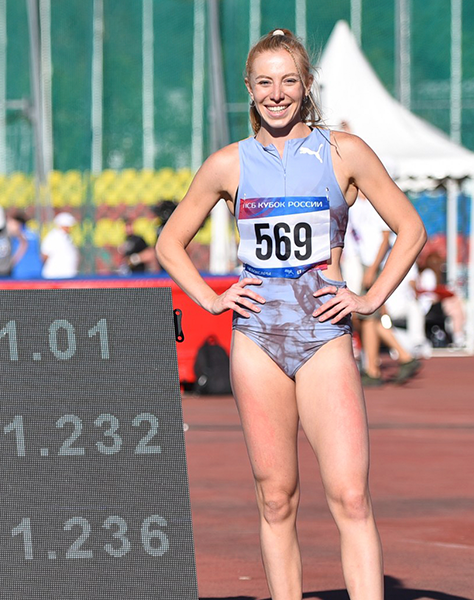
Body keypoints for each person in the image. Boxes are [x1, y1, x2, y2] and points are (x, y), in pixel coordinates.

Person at [154, 29, 425, 600]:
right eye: (264, 83)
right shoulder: (228, 164)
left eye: (288, 81)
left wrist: (370, 299)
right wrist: (211, 299)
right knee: (275, 498)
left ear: (306, 86)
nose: (276, 93)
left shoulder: (343, 151)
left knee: (351, 496)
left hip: (323, 335)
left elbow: (411, 229)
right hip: (257, 340)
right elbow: (169, 243)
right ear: (249, 89)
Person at [344, 196, 422, 385]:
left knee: (368, 317)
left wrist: (372, 269)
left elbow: (385, 239)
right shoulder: (356, 204)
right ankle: (377, 366)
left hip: (372, 264)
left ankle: (393, 360)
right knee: (368, 319)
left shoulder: (376, 201)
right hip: (361, 263)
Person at [416, 252, 467, 347]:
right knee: (455, 305)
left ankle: (459, 333)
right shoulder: (429, 273)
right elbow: (429, 294)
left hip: (431, 304)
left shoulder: (432, 274)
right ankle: (459, 335)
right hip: (427, 306)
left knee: (456, 303)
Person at [40, 212, 79, 279]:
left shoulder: (68, 237)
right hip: (56, 276)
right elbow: (44, 255)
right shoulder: (53, 237)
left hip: (67, 275)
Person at [10, 211, 44, 279]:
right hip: (37, 269)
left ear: (17, 223)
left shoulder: (16, 235)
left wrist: (10, 263)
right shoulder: (33, 234)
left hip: (21, 271)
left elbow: (23, 245)